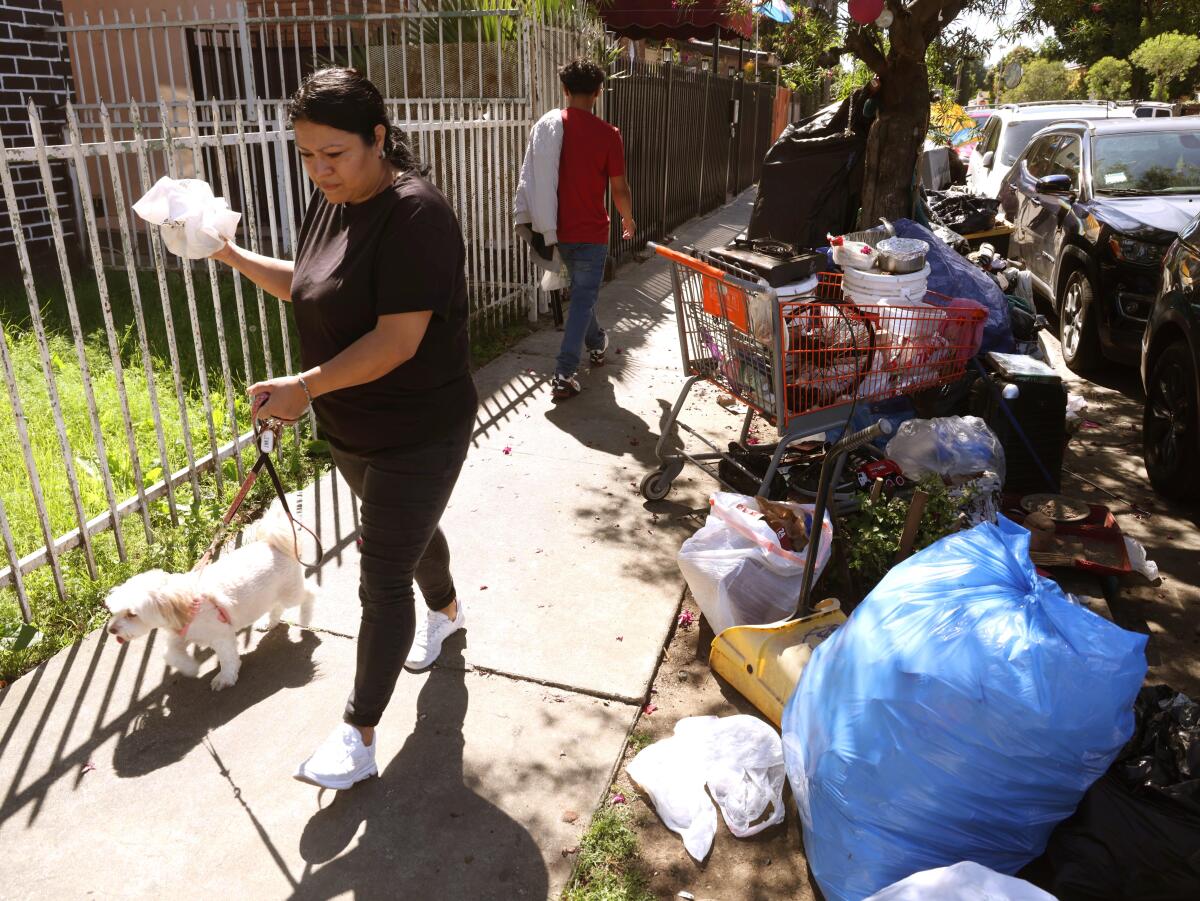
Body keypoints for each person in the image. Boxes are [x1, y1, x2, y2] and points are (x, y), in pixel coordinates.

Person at [210, 67, 478, 790]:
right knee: (407, 534)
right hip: (353, 424)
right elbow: (310, 282)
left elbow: (396, 340)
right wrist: (230, 255)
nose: (319, 169)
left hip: (422, 426)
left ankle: (358, 733)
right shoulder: (331, 202)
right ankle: (449, 610)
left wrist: (303, 385)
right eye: (306, 155)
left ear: (378, 139)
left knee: (381, 572)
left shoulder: (418, 215)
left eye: (335, 153)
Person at [551, 58, 635, 401]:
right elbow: (619, 188)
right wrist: (628, 218)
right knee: (584, 296)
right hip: (592, 233)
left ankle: (598, 344)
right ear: (598, 93)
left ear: (565, 90)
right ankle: (564, 372)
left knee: (583, 298)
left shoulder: (550, 129)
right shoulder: (608, 135)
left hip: (557, 230)